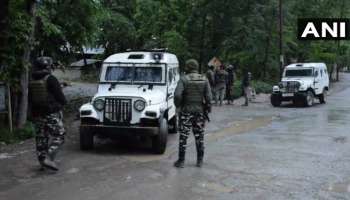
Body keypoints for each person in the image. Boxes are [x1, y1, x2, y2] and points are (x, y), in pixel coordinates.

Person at [30, 57, 67, 171]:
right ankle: (48, 157)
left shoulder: (32, 79)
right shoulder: (51, 79)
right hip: (51, 113)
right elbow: (61, 99)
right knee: (60, 135)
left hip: (37, 115)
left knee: (41, 138)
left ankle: (42, 161)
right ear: (47, 67)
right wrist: (61, 103)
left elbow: (31, 98)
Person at [174, 59, 212, 168]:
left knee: (183, 136)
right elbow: (209, 97)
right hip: (199, 112)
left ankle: (181, 161)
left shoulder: (184, 79)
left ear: (188, 67)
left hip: (186, 111)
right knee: (199, 136)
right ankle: (199, 161)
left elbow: (177, 95)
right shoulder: (204, 79)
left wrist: (178, 106)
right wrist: (208, 108)